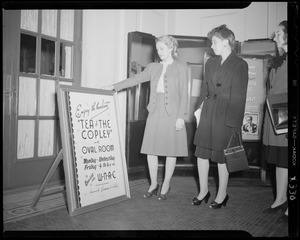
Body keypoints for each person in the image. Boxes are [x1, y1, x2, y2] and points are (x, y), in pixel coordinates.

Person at [102, 35, 189, 200]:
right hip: (155, 112)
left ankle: (166, 184)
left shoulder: (180, 68)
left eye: (162, 48)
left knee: (171, 151)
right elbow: (136, 79)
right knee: (151, 150)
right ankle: (154, 183)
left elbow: (184, 94)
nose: (159, 52)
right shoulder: (153, 67)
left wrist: (181, 117)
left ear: (171, 48)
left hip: (173, 114)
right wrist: (114, 87)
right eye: (157, 49)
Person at [192, 25, 249, 208]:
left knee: (221, 156)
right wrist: (198, 110)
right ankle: (203, 191)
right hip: (208, 112)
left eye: (215, 42)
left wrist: (234, 125)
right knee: (201, 154)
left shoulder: (240, 64)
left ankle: (222, 194)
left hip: (226, 115)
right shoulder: (210, 63)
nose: (212, 46)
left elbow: (240, 96)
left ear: (226, 42)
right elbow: (204, 89)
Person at [262, 21, 288, 222]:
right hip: (276, 115)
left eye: (278, 33)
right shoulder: (278, 60)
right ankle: (280, 199)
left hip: (288, 115)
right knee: (281, 160)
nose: (274, 37)